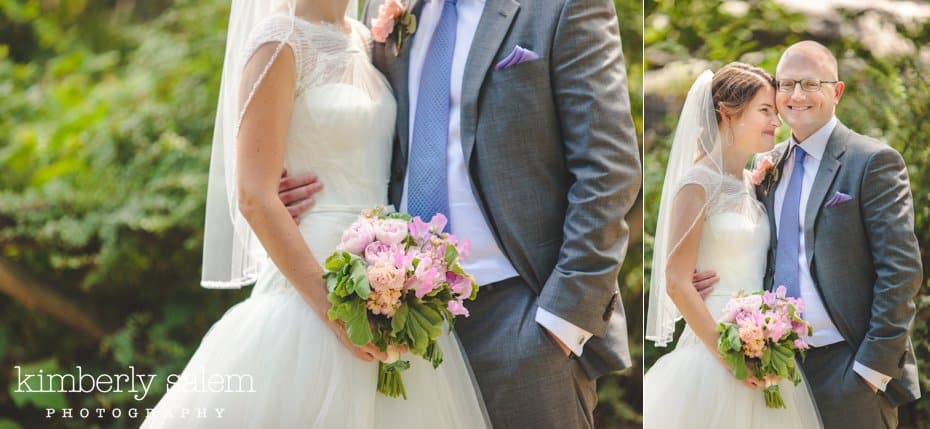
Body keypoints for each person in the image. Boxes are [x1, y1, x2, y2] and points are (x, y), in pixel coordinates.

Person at [281, 0, 642, 426]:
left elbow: (609, 168)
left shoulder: (560, 7)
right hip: (401, 320)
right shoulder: (386, 11)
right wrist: (299, 174)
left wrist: (561, 321)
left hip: (521, 319)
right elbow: (361, 126)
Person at [141, 0, 489, 427]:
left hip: (388, 280)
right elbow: (254, 194)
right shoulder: (278, 42)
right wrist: (337, 314)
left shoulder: (365, 39)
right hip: (313, 288)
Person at [692, 41, 922, 429]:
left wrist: (870, 371)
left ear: (836, 91)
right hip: (774, 368)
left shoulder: (872, 162)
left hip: (848, 368)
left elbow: (901, 274)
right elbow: (751, 243)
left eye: (810, 83)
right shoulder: (767, 164)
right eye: (786, 84)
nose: (796, 95)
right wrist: (708, 274)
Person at [644, 62, 823, 428]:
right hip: (714, 352)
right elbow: (676, 280)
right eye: (765, 111)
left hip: (764, 347)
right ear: (727, 114)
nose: (776, 121)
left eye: (775, 112)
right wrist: (731, 359)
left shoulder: (751, 182)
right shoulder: (697, 184)